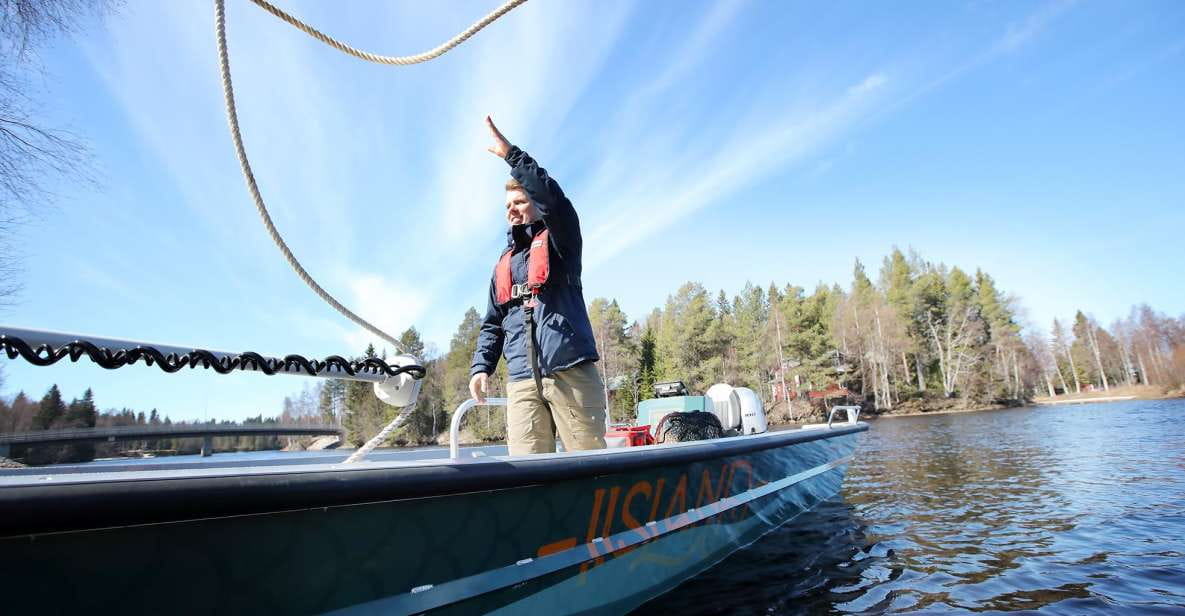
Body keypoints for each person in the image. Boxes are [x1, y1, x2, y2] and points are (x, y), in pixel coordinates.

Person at [468, 116, 607, 455]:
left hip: (570, 373)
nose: (511, 211)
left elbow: (553, 200)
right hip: (522, 383)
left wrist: (512, 156)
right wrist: (481, 367)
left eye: (518, 203)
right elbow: (492, 323)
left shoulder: (562, 241)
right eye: (507, 207)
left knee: (589, 467)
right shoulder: (504, 263)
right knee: (528, 474)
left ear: (534, 204)